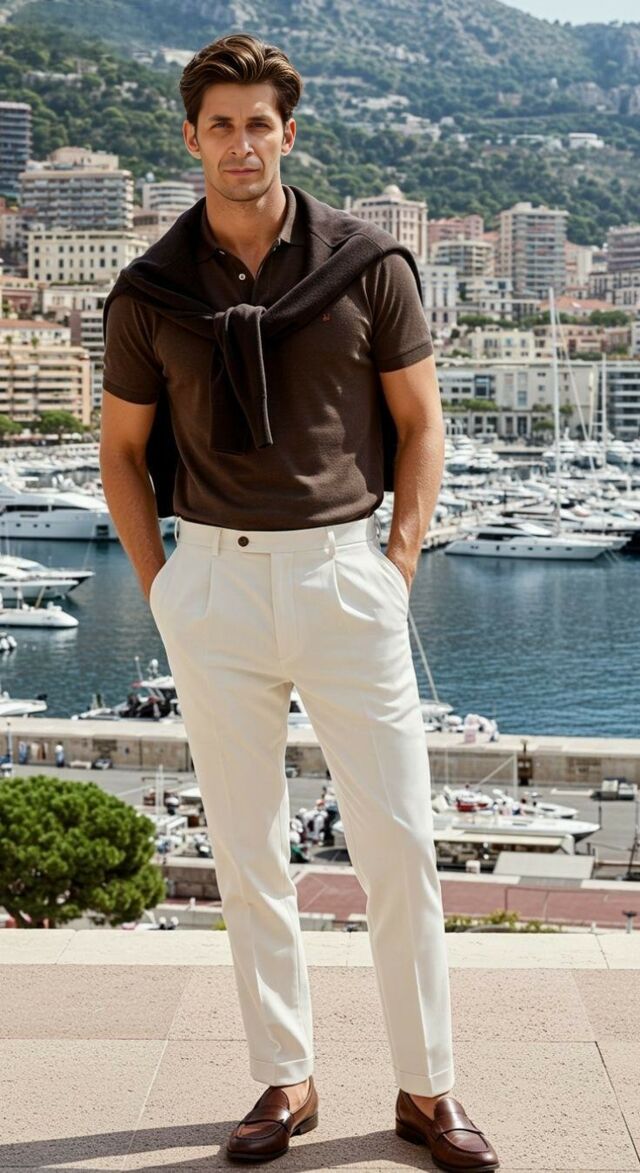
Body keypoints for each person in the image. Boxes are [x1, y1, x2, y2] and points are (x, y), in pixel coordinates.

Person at [99, 32, 499, 1171]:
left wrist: (398, 563)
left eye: (259, 124)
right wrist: (165, 591)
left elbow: (420, 427)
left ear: (288, 133)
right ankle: (287, 1076)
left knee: (400, 843)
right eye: (220, 125)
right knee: (246, 848)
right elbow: (121, 453)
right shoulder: (149, 289)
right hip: (213, 584)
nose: (241, 144)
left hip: (343, 574)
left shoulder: (369, 265)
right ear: (191, 137)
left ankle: (427, 1087)